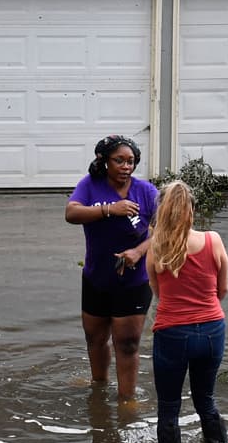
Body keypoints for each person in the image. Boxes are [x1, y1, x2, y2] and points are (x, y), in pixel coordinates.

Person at [65, 135, 159, 403]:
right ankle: (99, 387)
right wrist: (110, 209)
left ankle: (127, 400)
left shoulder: (146, 191)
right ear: (104, 161)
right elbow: (71, 213)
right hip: (97, 278)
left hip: (135, 280)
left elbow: (164, 231)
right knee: (95, 338)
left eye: (130, 161)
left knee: (127, 343)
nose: (126, 166)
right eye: (119, 160)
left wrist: (138, 252)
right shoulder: (90, 186)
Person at [147, 179, 228, 443]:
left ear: (163, 211)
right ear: (191, 210)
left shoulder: (156, 247)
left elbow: (158, 293)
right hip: (212, 331)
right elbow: (223, 289)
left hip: (172, 332)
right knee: (206, 400)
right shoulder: (213, 240)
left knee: (169, 406)